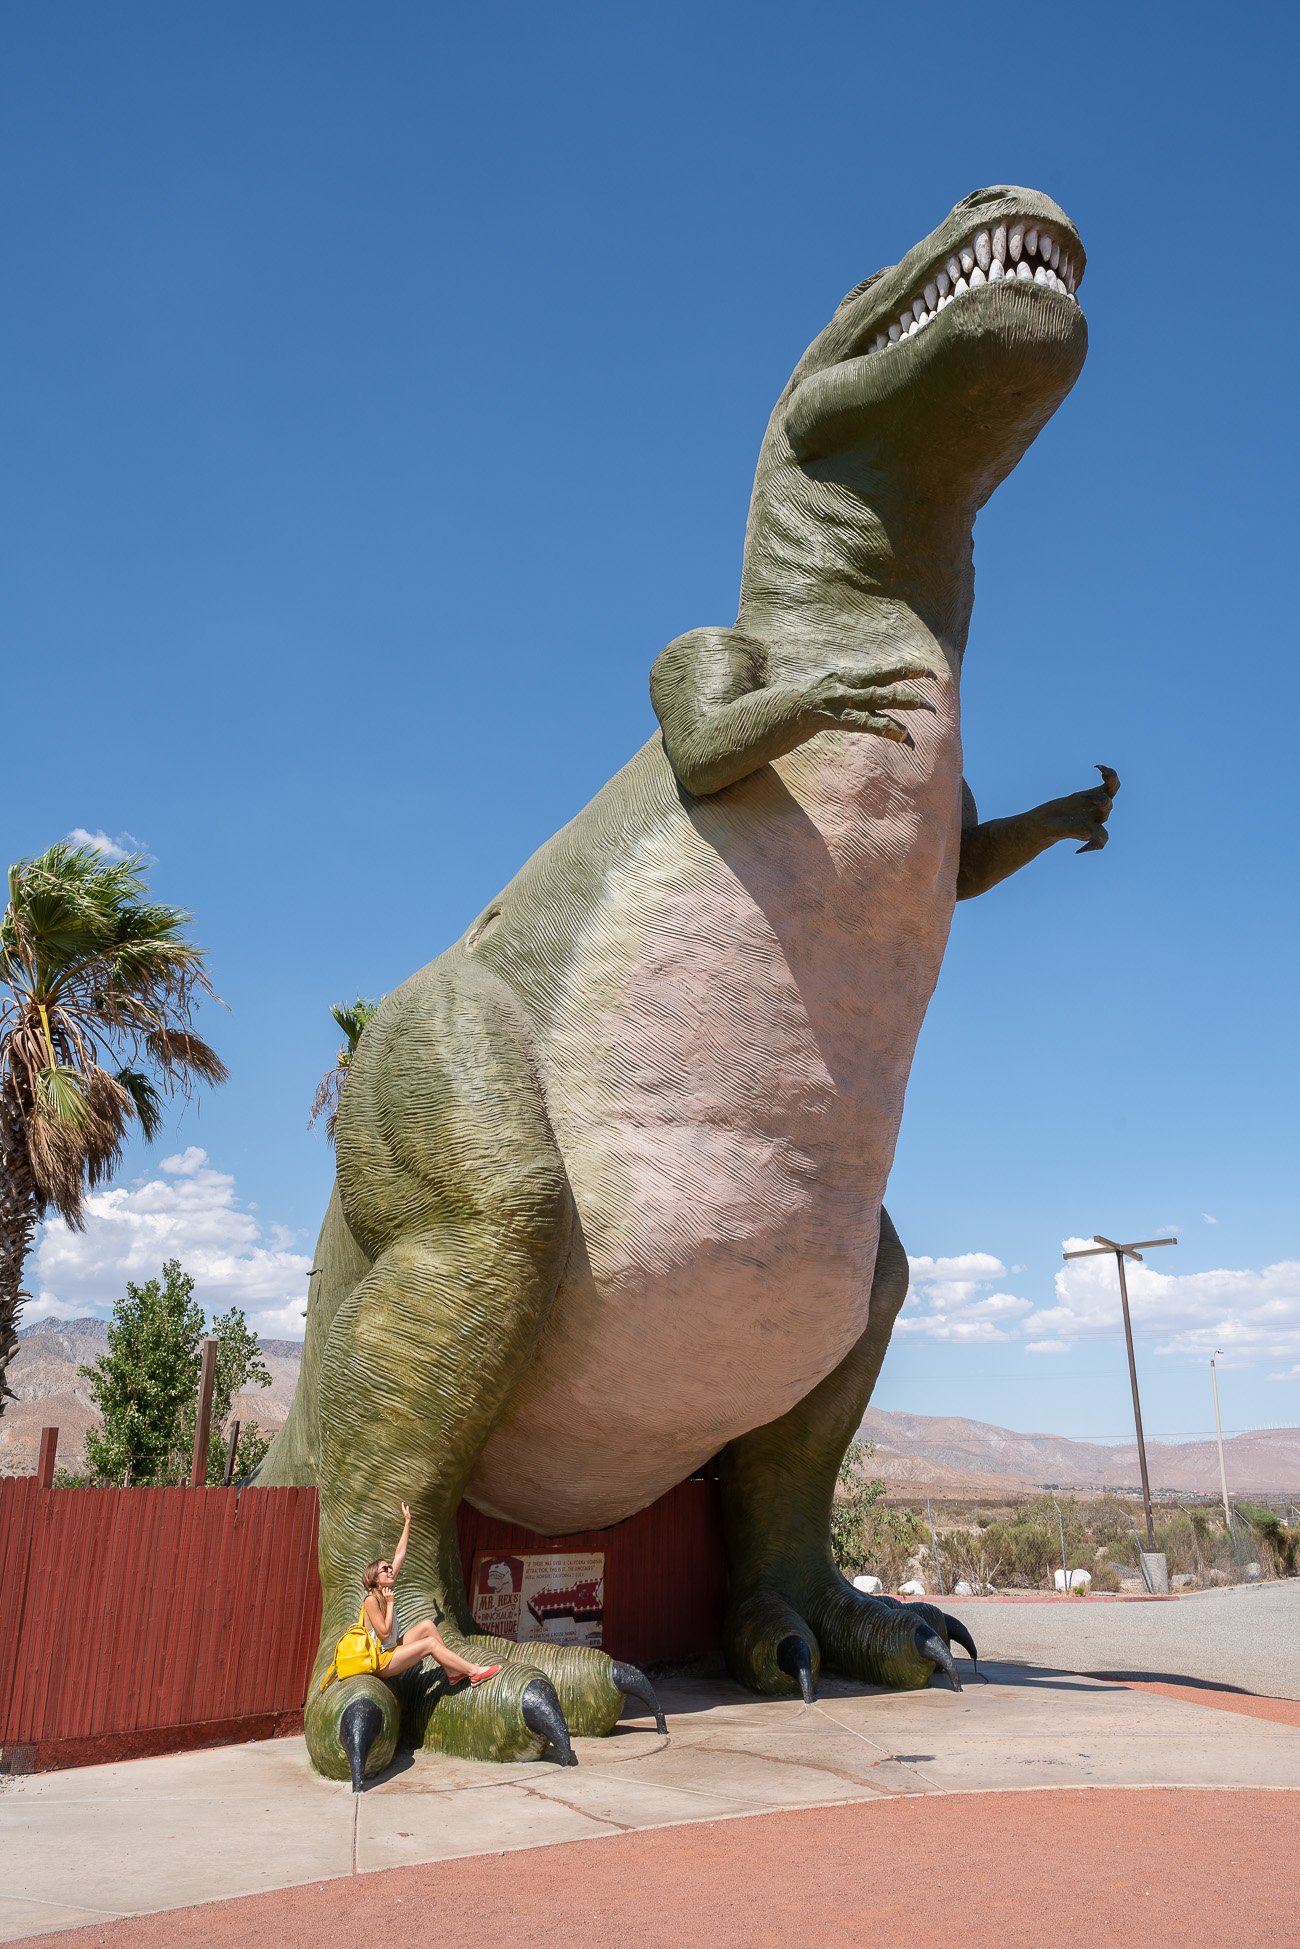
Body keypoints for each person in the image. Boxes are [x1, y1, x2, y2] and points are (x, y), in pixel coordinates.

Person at [347, 1502, 502, 1684]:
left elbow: (399, 1555)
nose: (390, 1570)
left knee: (428, 1625)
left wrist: (407, 1522)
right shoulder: (371, 1600)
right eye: (385, 1569)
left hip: (392, 1649)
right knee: (430, 1644)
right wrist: (389, 1604)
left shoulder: (386, 1589)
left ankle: (452, 1671)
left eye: (389, 1568)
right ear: (375, 1578)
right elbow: (383, 1632)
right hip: (381, 1661)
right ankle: (473, 1671)